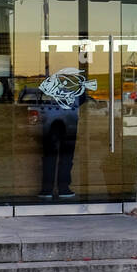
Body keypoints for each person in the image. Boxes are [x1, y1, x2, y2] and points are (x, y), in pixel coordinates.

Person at [35, 68, 92, 198]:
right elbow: (82, 100)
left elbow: (38, 102)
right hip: (70, 122)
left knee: (49, 157)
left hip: (49, 123)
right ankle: (64, 188)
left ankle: (46, 189)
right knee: (66, 156)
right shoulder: (73, 90)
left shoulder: (46, 89)